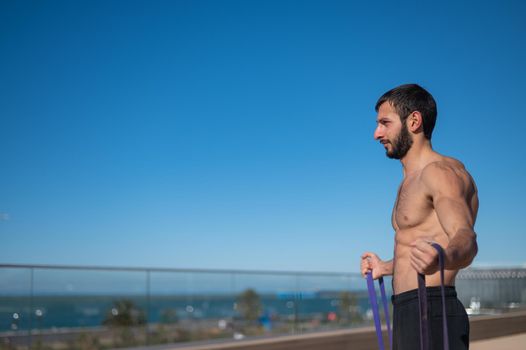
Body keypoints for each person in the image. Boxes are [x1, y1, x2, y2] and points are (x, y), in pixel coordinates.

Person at [361, 84, 478, 350]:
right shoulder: (408, 180)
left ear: (413, 120)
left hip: (433, 308)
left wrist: (444, 257)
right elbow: (418, 248)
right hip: (407, 310)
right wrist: (384, 267)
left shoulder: (441, 173)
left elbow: (465, 237)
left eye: (384, 123)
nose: (376, 133)